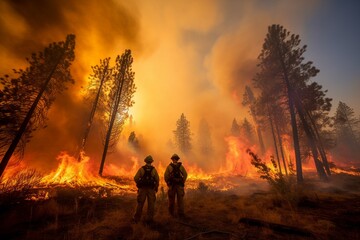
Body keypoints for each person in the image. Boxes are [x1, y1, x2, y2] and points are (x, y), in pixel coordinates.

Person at [133, 155, 159, 223]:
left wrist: (139, 184)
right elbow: (157, 179)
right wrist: (156, 187)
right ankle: (149, 219)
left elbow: (136, 178)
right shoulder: (154, 169)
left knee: (140, 203)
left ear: (146, 161)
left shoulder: (142, 169)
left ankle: (136, 219)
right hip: (151, 189)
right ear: (151, 162)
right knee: (151, 204)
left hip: (143, 189)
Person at [164, 153, 188, 218]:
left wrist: (168, 183)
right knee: (180, 200)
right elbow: (185, 174)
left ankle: (171, 214)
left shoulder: (169, 167)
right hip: (179, 186)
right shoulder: (181, 166)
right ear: (177, 159)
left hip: (172, 186)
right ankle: (181, 213)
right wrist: (182, 181)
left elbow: (165, 176)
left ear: (172, 159)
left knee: (171, 200)